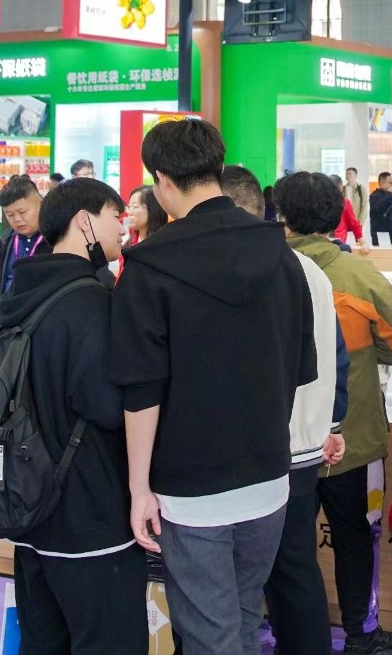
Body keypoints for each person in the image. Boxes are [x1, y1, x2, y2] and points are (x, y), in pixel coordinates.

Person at [112, 119, 317, 655]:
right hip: (269, 474)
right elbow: (299, 365)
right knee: (244, 619)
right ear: (218, 169)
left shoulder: (149, 266)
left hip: (191, 485)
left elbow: (141, 389)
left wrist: (138, 488)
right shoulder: (281, 254)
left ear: (162, 181)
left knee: (209, 631)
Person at [2, 178, 145, 653]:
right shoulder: (91, 303)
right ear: (84, 221)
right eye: (114, 216)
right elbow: (106, 405)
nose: (122, 227)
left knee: (43, 641)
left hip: (27, 506)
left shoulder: (21, 292)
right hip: (89, 515)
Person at [279, 170, 392, 655]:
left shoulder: (269, 269)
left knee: (288, 547)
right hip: (352, 436)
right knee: (356, 535)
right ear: (337, 215)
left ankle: (294, 636)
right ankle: (361, 632)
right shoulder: (358, 274)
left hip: (285, 440)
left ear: (283, 216)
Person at [263, 179, 350, 655]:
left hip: (266, 446)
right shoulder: (317, 271)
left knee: (263, 570)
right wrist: (330, 423)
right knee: (294, 564)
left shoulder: (272, 267)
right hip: (305, 443)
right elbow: (339, 357)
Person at [0, 174, 45, 295]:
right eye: (10, 214)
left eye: (22, 212)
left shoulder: (56, 240)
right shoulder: (4, 241)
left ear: (40, 204)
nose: (17, 219)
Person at [125, 183, 166, 248]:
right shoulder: (128, 241)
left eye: (135, 206)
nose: (128, 212)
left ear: (152, 209)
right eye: (129, 206)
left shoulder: (163, 244)